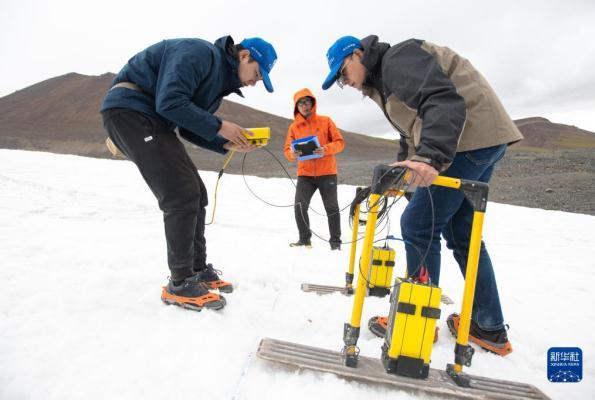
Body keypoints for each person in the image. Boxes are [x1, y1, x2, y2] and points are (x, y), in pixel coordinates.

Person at [321, 35, 522, 355]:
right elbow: (411, 131)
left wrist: (430, 159)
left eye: (343, 73)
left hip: (467, 140)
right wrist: (404, 177)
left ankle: (418, 323)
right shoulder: (384, 80)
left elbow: (443, 102)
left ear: (357, 54)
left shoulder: (398, 59)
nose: (345, 82)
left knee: (418, 225)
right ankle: (489, 326)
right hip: (482, 140)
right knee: (463, 235)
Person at [100, 36, 277, 311]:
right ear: (244, 56)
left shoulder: (217, 86)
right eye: (257, 74)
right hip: (129, 111)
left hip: (153, 118)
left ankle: (196, 269)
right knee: (181, 193)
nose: (255, 82)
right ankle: (180, 283)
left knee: (197, 193)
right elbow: (169, 102)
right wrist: (220, 126)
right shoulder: (199, 53)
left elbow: (189, 127)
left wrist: (227, 142)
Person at [283, 88, 345, 250]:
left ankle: (335, 243)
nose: (304, 105)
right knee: (299, 206)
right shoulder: (293, 128)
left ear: (313, 103)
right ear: (296, 106)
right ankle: (304, 239)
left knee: (331, 208)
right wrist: (292, 154)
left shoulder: (326, 121)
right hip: (305, 175)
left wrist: (325, 149)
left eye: (307, 101)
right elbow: (287, 149)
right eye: (301, 102)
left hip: (327, 173)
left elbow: (340, 142)